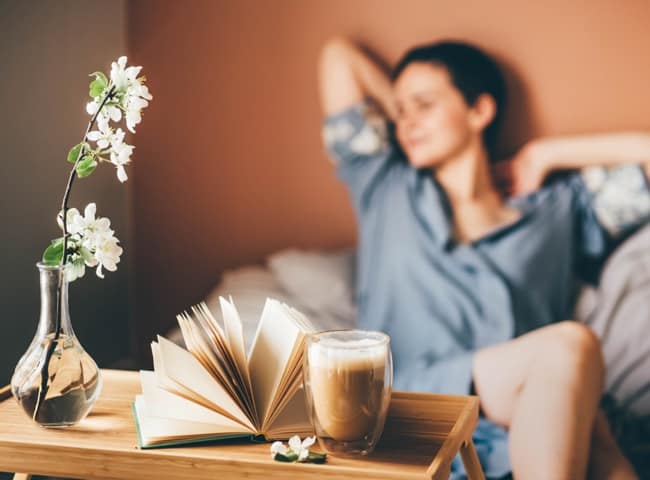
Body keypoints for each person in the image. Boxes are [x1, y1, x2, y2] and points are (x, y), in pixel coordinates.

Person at [318, 36, 650, 479]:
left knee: (598, 432)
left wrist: (544, 154)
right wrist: (411, 113)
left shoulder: (556, 211)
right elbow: (339, 55)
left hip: (532, 419)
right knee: (574, 353)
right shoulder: (386, 185)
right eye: (398, 112)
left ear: (480, 110)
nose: (406, 122)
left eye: (424, 105)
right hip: (416, 406)